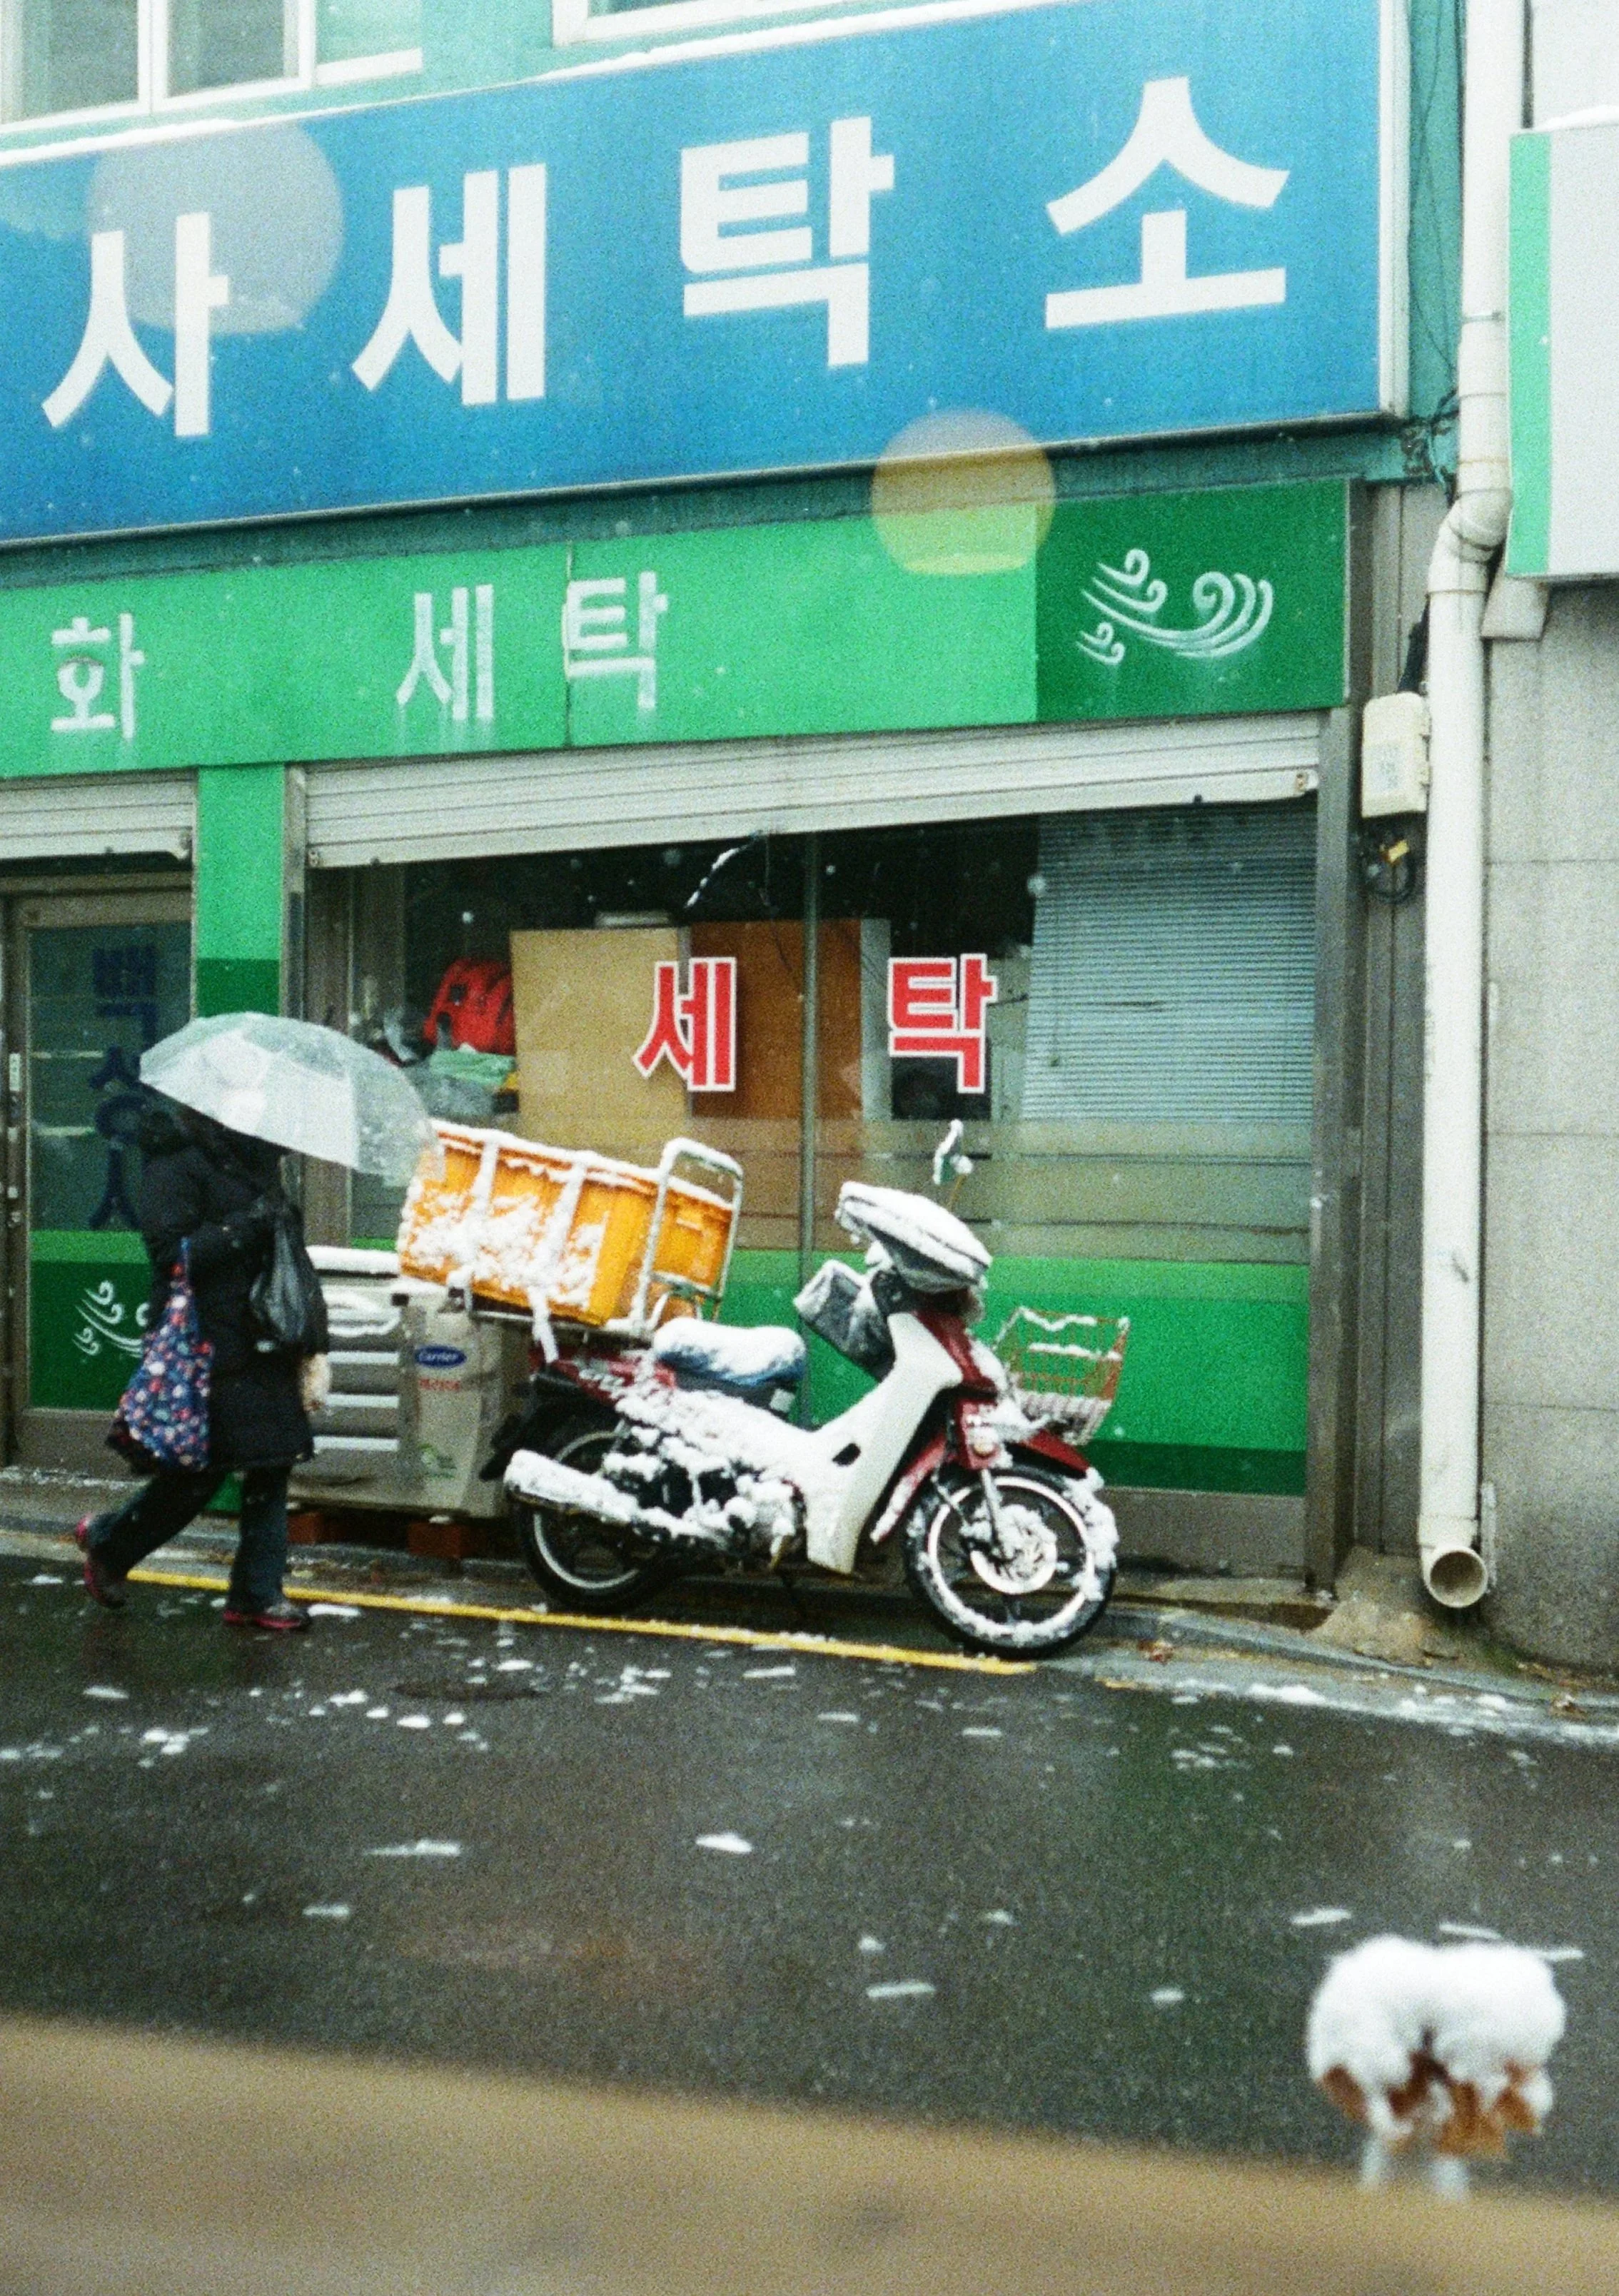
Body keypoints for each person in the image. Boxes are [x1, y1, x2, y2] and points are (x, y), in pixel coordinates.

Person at [77, 1103, 326, 1632]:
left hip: (262, 1335)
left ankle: (256, 1593)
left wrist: (313, 1339)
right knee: (198, 1471)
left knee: (271, 1461)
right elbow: (170, 1253)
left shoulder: (259, 1162)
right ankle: (110, 1541)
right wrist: (247, 1226)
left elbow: (290, 1260)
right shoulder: (176, 1160)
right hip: (204, 1341)